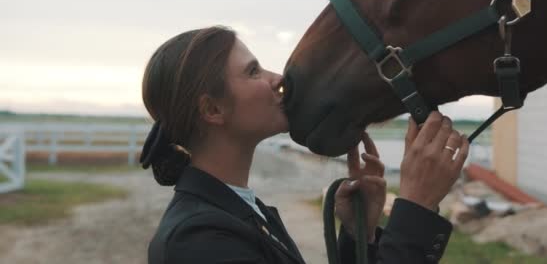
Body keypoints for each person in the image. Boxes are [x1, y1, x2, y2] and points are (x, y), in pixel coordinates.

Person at [142, 26, 469, 264]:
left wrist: (359, 235)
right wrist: (416, 208)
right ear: (213, 110)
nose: (277, 78)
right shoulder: (199, 242)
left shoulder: (236, 212)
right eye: (253, 71)